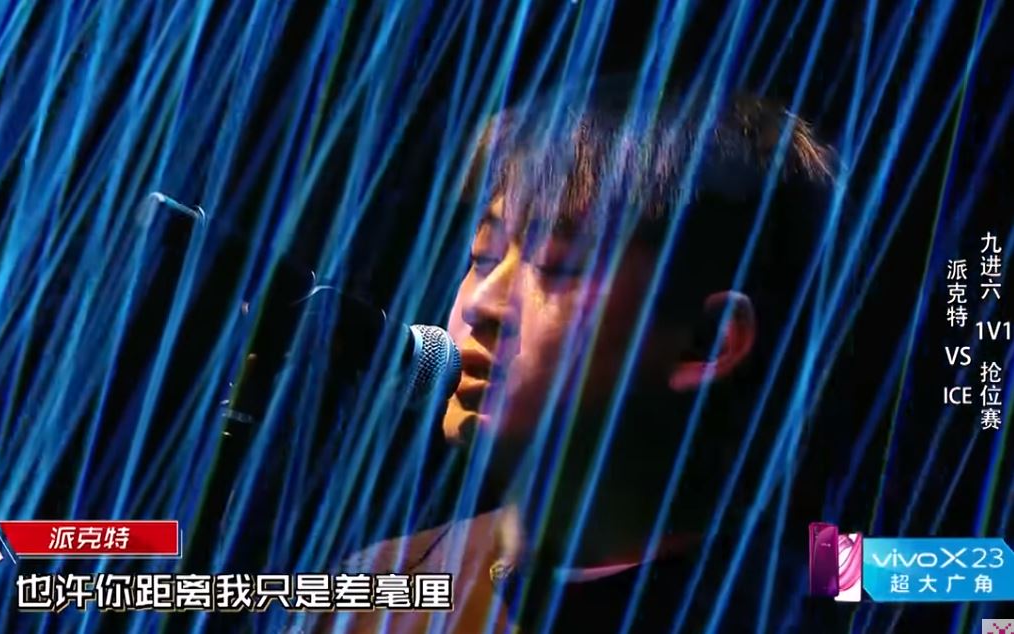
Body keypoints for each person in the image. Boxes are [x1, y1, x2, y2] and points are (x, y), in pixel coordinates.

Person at [295, 76, 846, 633]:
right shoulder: (379, 584)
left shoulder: (852, 583)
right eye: (483, 258)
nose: (481, 304)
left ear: (707, 340)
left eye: (556, 265)